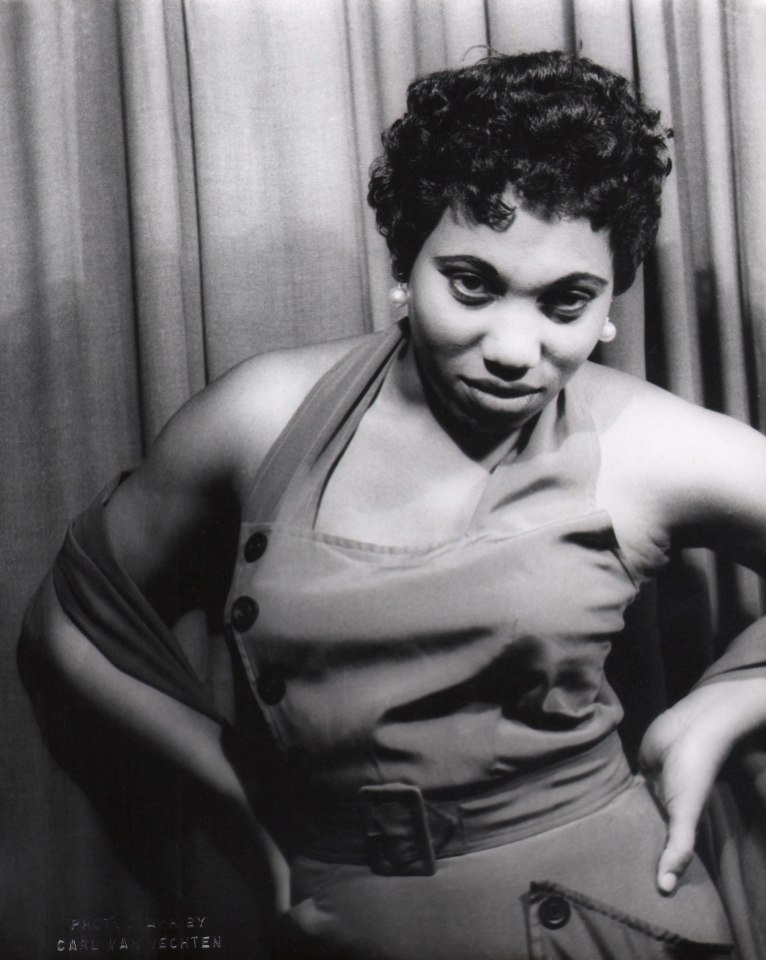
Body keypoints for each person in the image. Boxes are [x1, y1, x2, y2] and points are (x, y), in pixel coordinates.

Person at [21, 51, 766, 959]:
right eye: (473, 284)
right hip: (345, 924)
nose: (512, 347)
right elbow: (72, 618)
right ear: (406, 263)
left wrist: (721, 710)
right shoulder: (261, 417)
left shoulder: (650, 444)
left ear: (612, 302)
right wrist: (241, 802)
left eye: (566, 301)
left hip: (603, 917)